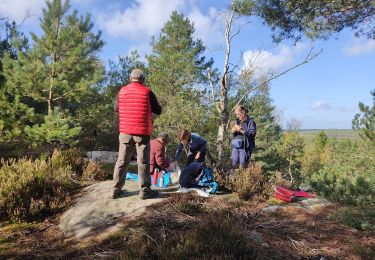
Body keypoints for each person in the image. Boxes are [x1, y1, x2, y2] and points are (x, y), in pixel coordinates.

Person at [112, 69, 162, 200]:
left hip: (125, 131)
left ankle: (115, 190)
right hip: (142, 131)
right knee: (143, 161)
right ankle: (145, 190)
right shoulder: (147, 92)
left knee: (122, 160)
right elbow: (158, 110)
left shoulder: (122, 91)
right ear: (143, 79)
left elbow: (116, 108)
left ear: (130, 78)